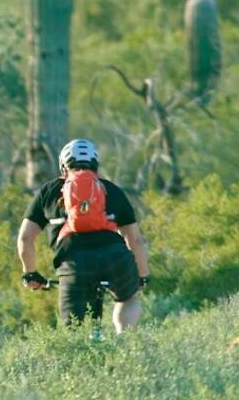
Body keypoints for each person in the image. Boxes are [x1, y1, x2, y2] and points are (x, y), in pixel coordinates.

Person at [17, 139, 150, 333]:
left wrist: (30, 273)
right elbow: (135, 240)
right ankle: (124, 338)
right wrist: (142, 276)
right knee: (128, 298)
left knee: (72, 330)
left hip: (73, 263)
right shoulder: (112, 190)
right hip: (115, 258)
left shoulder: (48, 192)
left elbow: (25, 238)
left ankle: (77, 347)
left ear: (63, 167)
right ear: (95, 166)